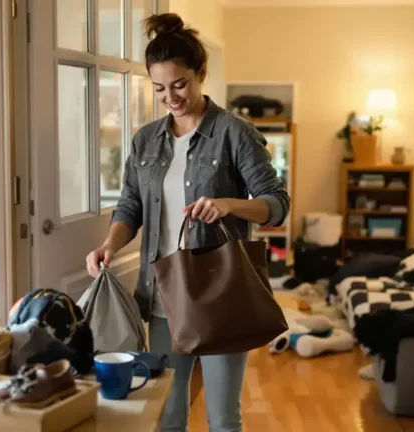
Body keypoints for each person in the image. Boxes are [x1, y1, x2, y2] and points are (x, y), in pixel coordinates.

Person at [85, 13, 290, 432]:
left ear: (201, 74)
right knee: (168, 415)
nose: (170, 96)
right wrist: (110, 244)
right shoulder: (145, 140)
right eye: (159, 88)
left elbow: (277, 204)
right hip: (164, 298)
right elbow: (130, 206)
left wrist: (229, 205)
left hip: (221, 299)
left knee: (223, 419)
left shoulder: (235, 133)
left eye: (179, 84)